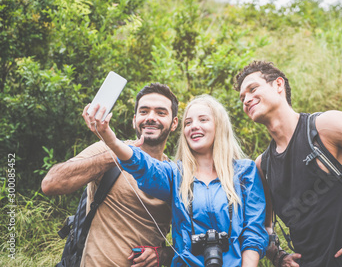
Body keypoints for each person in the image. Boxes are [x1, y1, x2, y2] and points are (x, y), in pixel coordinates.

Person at [233, 61, 342, 267]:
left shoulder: (324, 128)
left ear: (278, 85)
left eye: (253, 89)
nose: (246, 99)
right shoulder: (263, 165)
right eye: (242, 97)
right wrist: (278, 256)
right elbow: (264, 227)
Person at [85, 94, 269, 266]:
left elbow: (254, 232)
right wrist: (112, 141)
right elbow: (144, 166)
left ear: (219, 126)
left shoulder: (245, 171)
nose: (194, 126)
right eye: (187, 123)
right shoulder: (175, 174)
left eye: (203, 120)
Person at [42, 83, 178, 267]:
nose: (151, 118)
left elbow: (192, 241)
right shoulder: (106, 150)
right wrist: (119, 153)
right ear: (134, 119)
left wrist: (163, 254)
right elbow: (51, 183)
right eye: (144, 111)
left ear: (174, 123)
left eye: (161, 113)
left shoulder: (175, 175)